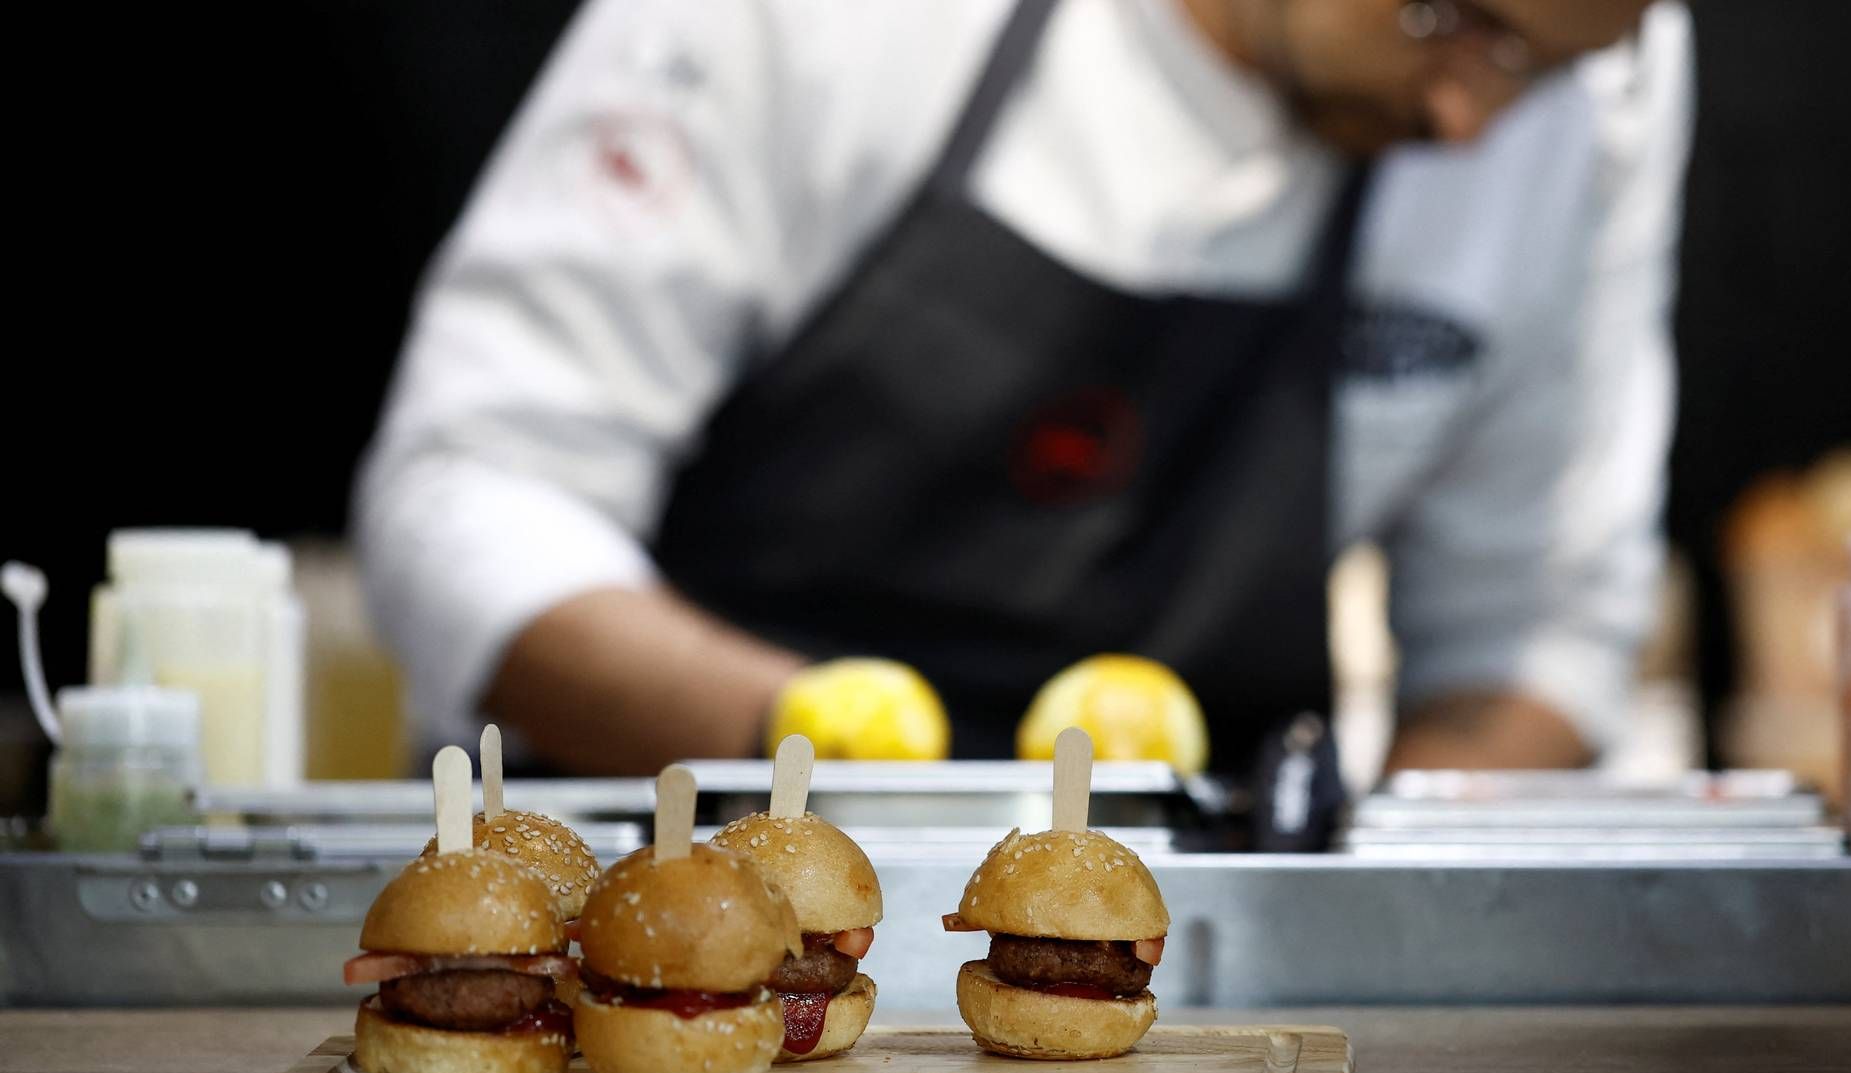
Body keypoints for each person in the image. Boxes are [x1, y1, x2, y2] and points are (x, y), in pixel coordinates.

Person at [356, 0, 1692, 791]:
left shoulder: (1579, 91)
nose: (1472, 118)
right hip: (692, 888)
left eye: (1549, 62)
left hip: (1189, 964)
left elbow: (1533, 637)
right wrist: (838, 769)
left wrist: (1371, 934)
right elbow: (474, 488)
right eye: (1443, 16)